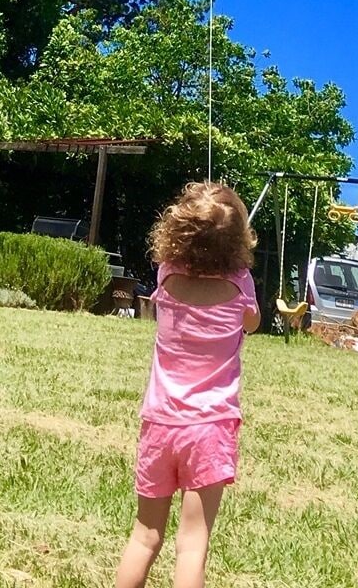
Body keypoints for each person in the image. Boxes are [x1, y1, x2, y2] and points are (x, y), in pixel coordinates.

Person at [114, 182, 260, 588]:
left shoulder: (167, 274)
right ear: (238, 240)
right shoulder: (242, 284)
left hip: (159, 425)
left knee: (144, 536)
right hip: (210, 429)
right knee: (192, 546)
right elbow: (252, 323)